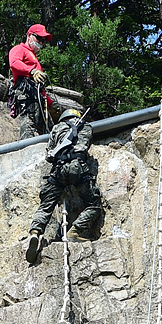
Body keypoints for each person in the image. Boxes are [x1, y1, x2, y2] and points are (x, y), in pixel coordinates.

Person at [25, 108, 103, 263]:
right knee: (94, 204)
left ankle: (35, 232)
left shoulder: (56, 129)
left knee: (46, 206)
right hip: (78, 167)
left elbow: (49, 153)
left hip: (59, 170)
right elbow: (86, 143)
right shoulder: (86, 127)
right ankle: (75, 231)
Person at [8, 24, 54, 140]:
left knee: (48, 126)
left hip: (37, 94)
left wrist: (49, 102)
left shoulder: (34, 58)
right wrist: (32, 71)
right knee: (29, 122)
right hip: (26, 91)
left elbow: (40, 86)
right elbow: (14, 63)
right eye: (39, 38)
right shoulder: (19, 49)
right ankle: (26, 148)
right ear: (29, 36)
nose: (41, 43)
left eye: (43, 41)